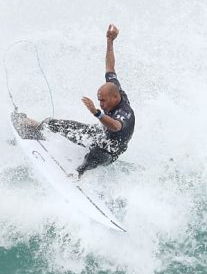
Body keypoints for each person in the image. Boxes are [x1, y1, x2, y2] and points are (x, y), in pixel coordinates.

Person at [23, 24, 135, 178]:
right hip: (99, 135)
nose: (101, 104)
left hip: (111, 149)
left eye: (103, 101)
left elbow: (115, 127)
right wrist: (110, 42)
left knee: (95, 155)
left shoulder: (125, 112)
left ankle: (78, 173)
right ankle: (36, 127)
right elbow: (110, 67)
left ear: (115, 98)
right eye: (99, 101)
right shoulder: (113, 88)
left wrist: (97, 113)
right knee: (58, 124)